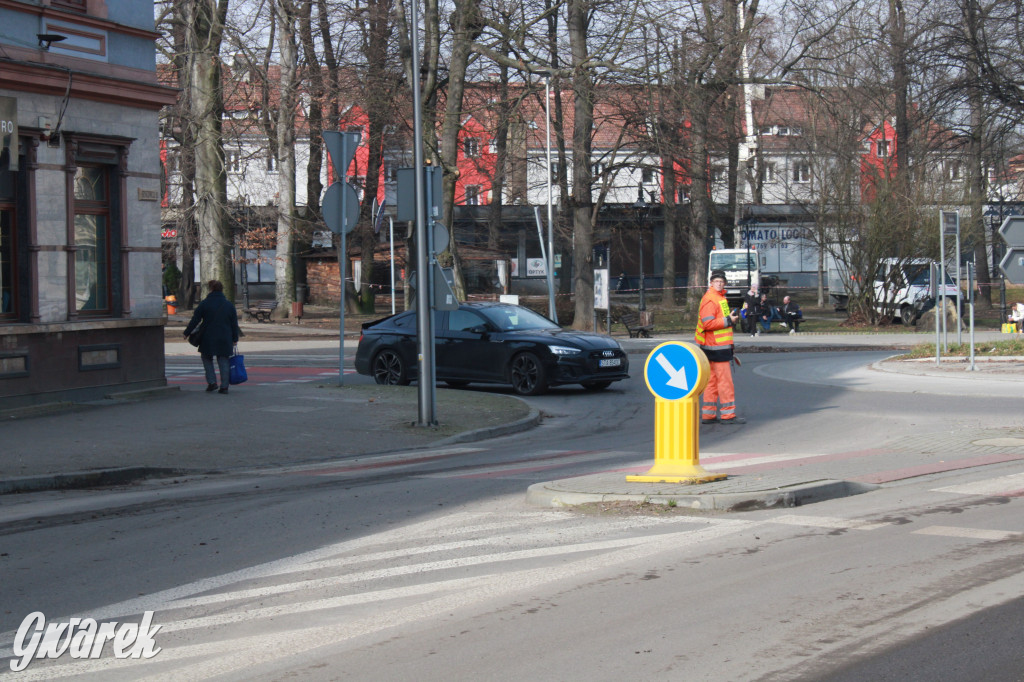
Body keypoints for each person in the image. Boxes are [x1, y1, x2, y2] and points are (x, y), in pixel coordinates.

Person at [695, 269, 744, 425]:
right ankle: (728, 415)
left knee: (712, 382)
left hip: (713, 347)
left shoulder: (719, 298)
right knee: (725, 382)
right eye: (716, 281)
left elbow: (718, 321)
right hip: (717, 348)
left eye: (722, 281)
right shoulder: (711, 299)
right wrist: (729, 321)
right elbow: (708, 323)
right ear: (711, 283)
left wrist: (729, 320)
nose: (719, 283)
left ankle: (708, 415)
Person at [183, 280, 241, 394]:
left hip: (208, 336)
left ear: (211, 289)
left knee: (206, 358)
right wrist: (235, 338)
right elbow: (234, 324)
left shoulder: (205, 303)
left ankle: (212, 382)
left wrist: (187, 332)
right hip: (225, 336)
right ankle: (224, 386)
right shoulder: (229, 305)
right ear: (221, 289)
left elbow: (195, 320)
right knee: (223, 360)